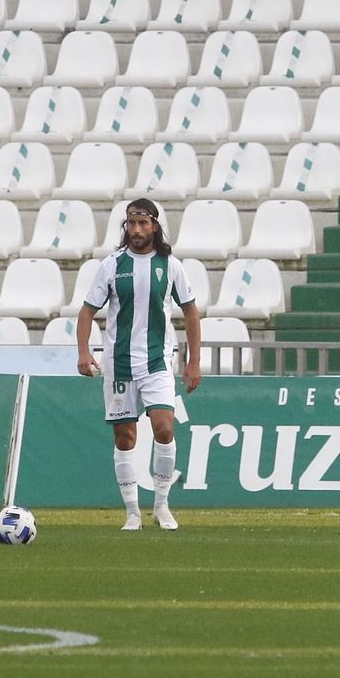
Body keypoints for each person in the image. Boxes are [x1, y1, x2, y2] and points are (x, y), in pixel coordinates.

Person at [75, 198, 202, 531]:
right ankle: (132, 512)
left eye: (143, 224)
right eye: (131, 224)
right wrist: (84, 352)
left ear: (155, 227)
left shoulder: (170, 265)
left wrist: (194, 362)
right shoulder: (112, 265)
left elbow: (191, 312)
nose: (136, 230)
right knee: (125, 438)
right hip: (118, 365)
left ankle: (161, 505)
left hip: (157, 361)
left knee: (164, 427)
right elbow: (87, 311)